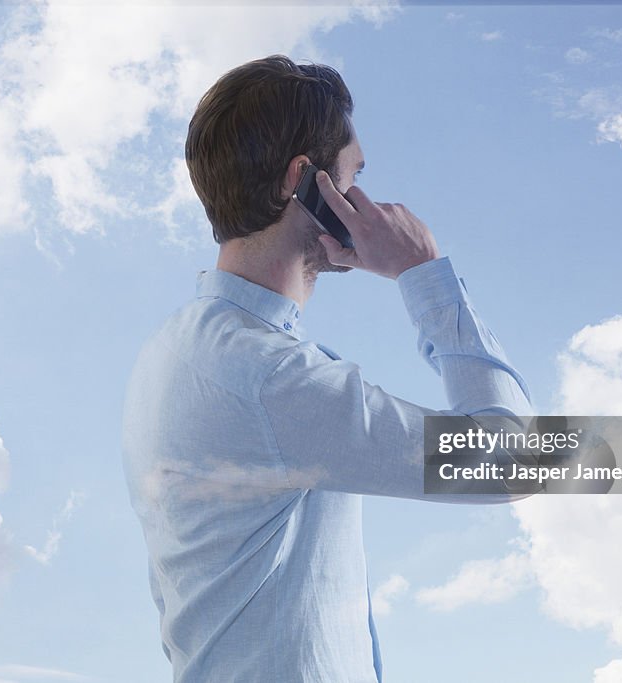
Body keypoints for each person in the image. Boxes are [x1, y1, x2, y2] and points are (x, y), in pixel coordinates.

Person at [122, 55, 539, 683]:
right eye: (353, 177)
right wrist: (423, 272)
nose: (366, 202)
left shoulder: (172, 351)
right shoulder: (269, 377)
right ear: (304, 183)